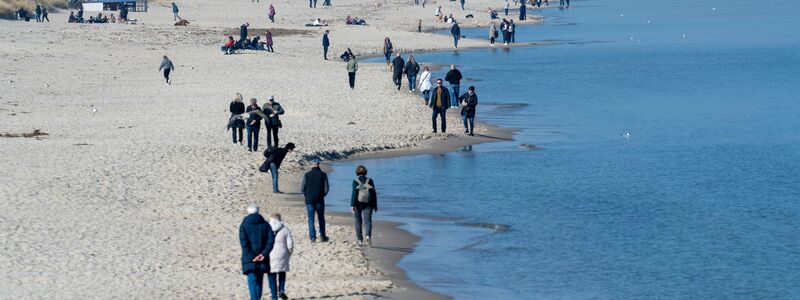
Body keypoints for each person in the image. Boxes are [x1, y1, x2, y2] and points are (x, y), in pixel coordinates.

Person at [239, 204, 275, 300]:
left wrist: (252, 257)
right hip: (262, 256)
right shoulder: (266, 225)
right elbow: (270, 241)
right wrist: (263, 254)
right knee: (259, 280)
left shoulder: (244, 225)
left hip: (250, 258)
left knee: (252, 280)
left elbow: (244, 244)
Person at [301, 158, 329, 242]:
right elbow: (326, 188)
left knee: (311, 219)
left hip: (309, 199)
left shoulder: (307, 174)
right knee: (321, 218)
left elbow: (302, 188)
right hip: (319, 199)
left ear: (312, 165)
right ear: (318, 165)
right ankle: (322, 236)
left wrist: (306, 195)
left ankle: (312, 237)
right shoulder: (323, 174)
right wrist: (323, 195)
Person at [267, 213, 293, 300]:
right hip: (282, 253)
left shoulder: (267, 228)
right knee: (282, 272)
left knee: (271, 274)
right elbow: (290, 244)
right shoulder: (285, 229)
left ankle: (274, 295)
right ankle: (281, 290)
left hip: (270, 253)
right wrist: (289, 253)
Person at [350, 165, 377, 246]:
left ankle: (360, 240)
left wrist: (352, 205)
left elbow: (354, 194)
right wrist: (375, 204)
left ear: (357, 172)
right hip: (368, 203)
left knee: (358, 221)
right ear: (365, 172)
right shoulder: (370, 180)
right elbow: (373, 193)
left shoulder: (355, 181)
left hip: (357, 204)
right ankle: (368, 236)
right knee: (367, 221)